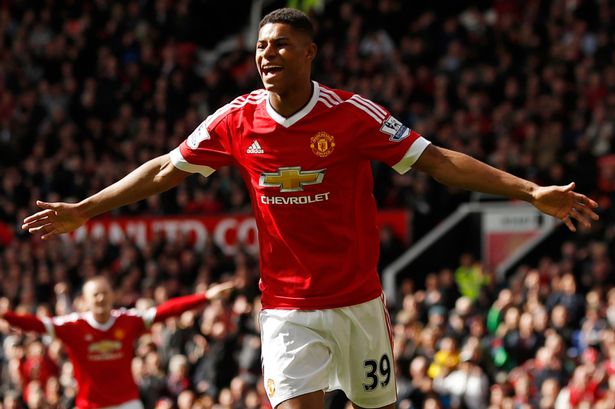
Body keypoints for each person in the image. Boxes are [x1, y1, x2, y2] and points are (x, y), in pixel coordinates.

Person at [20, 7, 599, 409]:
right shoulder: (236, 119)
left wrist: (529, 191)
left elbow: (439, 161)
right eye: (260, 47)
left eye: (280, 45)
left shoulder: (353, 115)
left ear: (310, 53)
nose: (266, 55)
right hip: (287, 307)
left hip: (359, 302)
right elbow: (168, 168)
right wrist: (87, 209)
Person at [0, 277, 234, 409]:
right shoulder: (72, 326)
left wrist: (205, 297)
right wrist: (6, 316)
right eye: (95, 295)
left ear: (112, 295)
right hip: (90, 405)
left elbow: (165, 311)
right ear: (85, 300)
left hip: (127, 404)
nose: (101, 298)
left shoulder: (128, 321)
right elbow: (37, 325)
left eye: (104, 293)